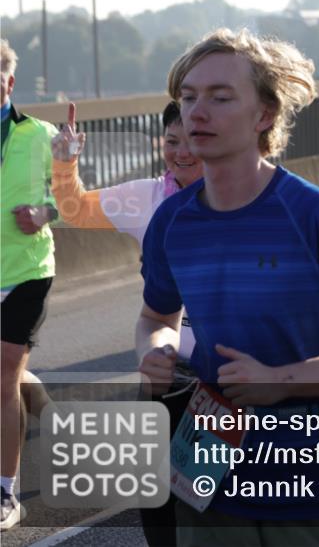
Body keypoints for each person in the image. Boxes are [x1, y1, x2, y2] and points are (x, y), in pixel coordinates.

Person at [136, 29, 319, 546]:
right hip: (206, 475)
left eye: (221, 97)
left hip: (304, 479)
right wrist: (155, 350)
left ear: (264, 115)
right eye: (189, 97)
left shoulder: (312, 214)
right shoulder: (172, 221)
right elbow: (157, 317)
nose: (197, 112)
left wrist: (281, 382)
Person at [51, 99, 203, 544]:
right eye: (172, 141)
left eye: (193, 140)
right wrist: (65, 164)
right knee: (156, 500)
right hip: (166, 371)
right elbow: (76, 209)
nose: (181, 152)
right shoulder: (148, 198)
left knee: (216, 504)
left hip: (225, 380)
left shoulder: (247, 201)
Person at [1, 39, 59, 531]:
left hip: (26, 271)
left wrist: (43, 212)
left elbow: (70, 197)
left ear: (10, 81)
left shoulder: (40, 134)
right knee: (11, 375)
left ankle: (5, 492)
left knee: (2, 376)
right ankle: (59, 423)